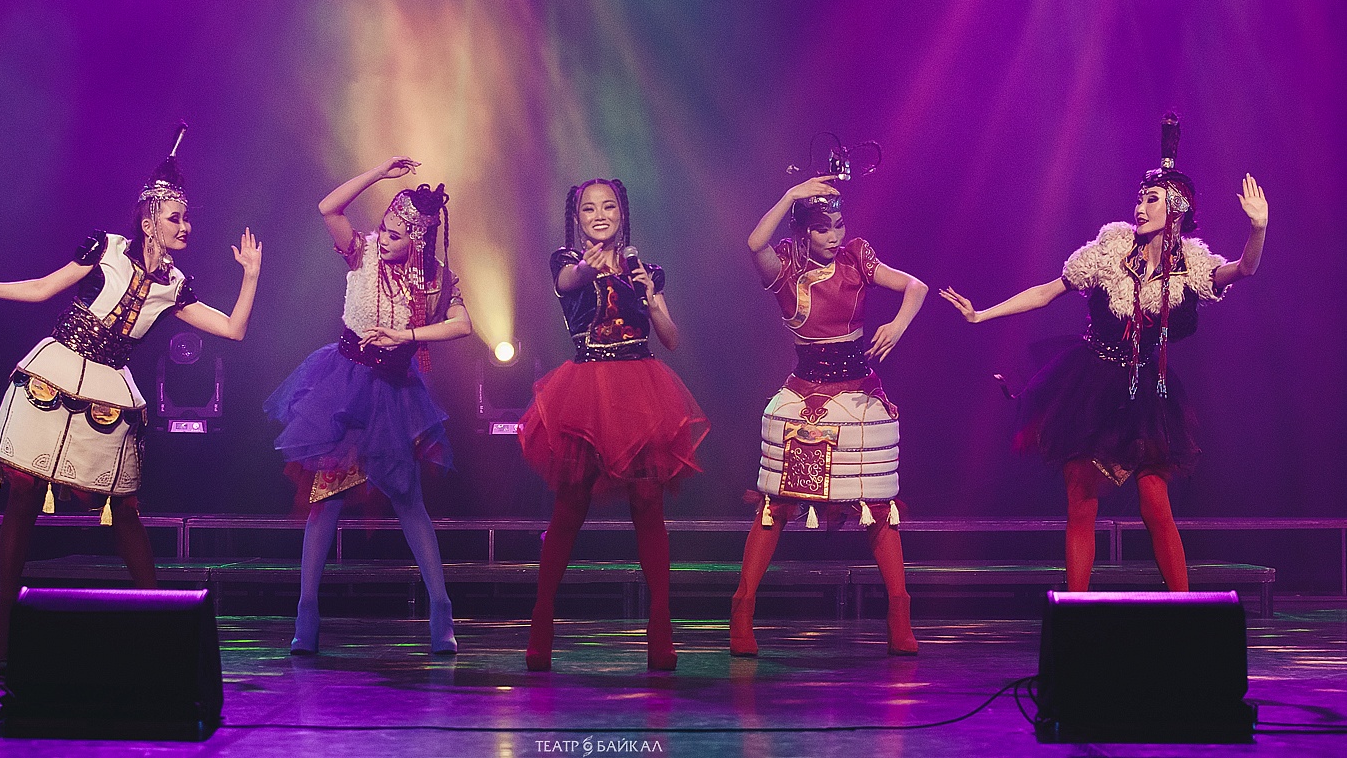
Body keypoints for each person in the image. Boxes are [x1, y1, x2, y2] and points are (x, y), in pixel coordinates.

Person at [0, 127, 262, 660]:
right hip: (55, 372)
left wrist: (250, 276)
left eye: (187, 219)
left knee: (124, 509)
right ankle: (4, 627)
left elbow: (233, 330)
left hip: (106, 391)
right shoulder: (106, 248)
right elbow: (43, 289)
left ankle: (161, 629)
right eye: (175, 218)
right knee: (23, 495)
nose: (186, 226)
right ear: (149, 221)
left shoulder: (175, 286)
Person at [941, 114, 1268, 593]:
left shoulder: (1191, 264)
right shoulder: (1110, 249)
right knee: (1081, 501)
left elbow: (1242, 270)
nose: (1140, 206)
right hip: (1091, 386)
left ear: (1176, 209)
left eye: (1151, 199)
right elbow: (1047, 291)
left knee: (1156, 503)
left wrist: (1258, 229)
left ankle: (1185, 610)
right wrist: (982, 314)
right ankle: (1075, 609)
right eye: (1139, 197)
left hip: (1147, 392)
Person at [267, 157, 471, 656]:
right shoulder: (362, 251)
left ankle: (441, 607)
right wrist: (379, 173)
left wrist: (408, 335)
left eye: (397, 235)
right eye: (386, 226)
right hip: (344, 384)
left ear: (418, 241)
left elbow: (463, 326)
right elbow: (327, 207)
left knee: (408, 500)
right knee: (326, 499)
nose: (385, 237)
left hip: (394, 391)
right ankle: (307, 610)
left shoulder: (437, 278)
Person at [729, 176, 928, 657]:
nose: (835, 235)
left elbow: (915, 286)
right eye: (823, 228)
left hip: (858, 393)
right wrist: (789, 196)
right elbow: (754, 243)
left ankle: (899, 614)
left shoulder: (857, 256)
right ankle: (742, 610)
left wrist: (897, 324)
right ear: (804, 231)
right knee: (778, 504)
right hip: (806, 395)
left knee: (878, 503)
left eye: (839, 225)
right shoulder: (785, 267)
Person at [519, 178, 709, 671]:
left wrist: (650, 297)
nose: (599, 215)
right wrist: (591, 266)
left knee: (648, 505)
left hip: (640, 388)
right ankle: (542, 619)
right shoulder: (566, 260)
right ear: (576, 218)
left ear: (622, 214)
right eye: (589, 209)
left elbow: (670, 339)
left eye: (608, 207)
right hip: (586, 390)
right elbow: (569, 282)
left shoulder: (646, 269)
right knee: (570, 506)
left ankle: (661, 625)